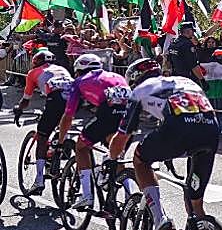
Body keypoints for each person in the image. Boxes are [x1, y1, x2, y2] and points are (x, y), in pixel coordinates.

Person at [108, 59, 220, 230]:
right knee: (196, 204)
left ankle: (159, 218)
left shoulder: (139, 91)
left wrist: (111, 160)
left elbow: (122, 136)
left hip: (178, 129)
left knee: (140, 160)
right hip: (211, 131)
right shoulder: (184, 81)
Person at [55, 54, 132, 210]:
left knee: (81, 147)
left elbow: (68, 115)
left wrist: (61, 140)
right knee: (116, 158)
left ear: (80, 70)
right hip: (129, 118)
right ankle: (130, 198)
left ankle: (87, 196)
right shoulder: (116, 75)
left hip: (107, 114)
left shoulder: (79, 81)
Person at [11, 48, 72, 194]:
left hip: (55, 100)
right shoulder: (61, 68)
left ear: (36, 61)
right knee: (62, 126)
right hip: (74, 98)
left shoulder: (33, 73)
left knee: (42, 137)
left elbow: (26, 100)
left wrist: (19, 110)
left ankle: (39, 181)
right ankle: (60, 150)